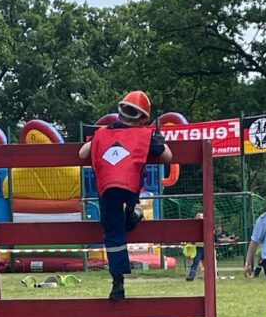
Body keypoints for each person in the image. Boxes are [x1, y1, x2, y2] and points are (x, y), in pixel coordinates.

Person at [79, 90, 172, 301]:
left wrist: (96, 140)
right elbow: (168, 156)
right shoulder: (146, 135)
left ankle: (117, 281)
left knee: (113, 235)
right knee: (128, 205)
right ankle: (132, 212)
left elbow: (82, 154)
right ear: (143, 118)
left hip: (106, 189)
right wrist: (158, 139)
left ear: (120, 112)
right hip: (130, 187)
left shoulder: (102, 133)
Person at [183, 213, 205, 280]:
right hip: (198, 248)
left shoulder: (207, 225)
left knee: (209, 264)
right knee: (195, 263)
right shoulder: (193, 227)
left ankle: (212, 276)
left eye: (200, 217)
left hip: (207, 247)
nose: (199, 219)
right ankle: (191, 276)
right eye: (198, 217)